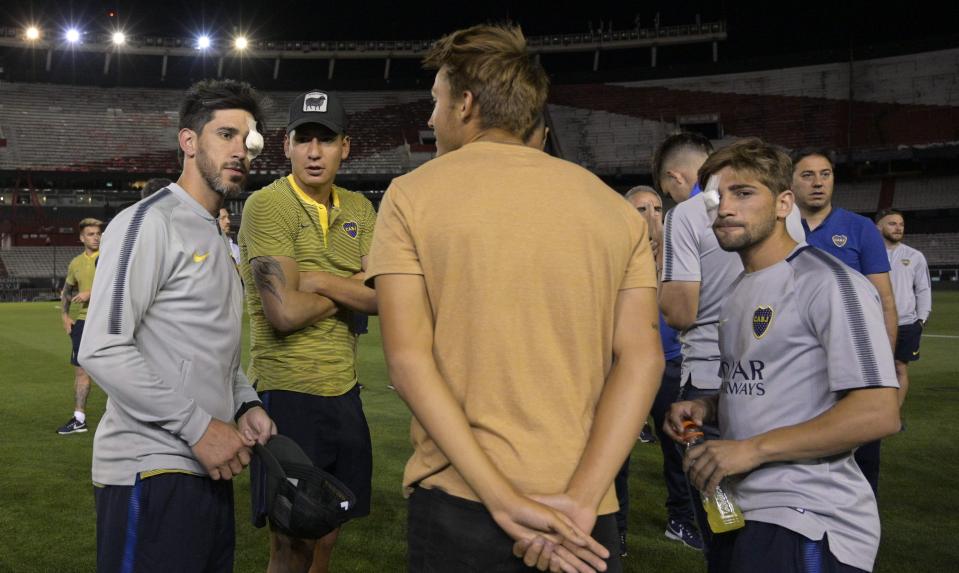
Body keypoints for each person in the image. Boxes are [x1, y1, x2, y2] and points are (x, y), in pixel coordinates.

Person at [367, 24, 663, 573]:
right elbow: (643, 358)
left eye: (435, 102)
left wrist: (503, 500)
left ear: (466, 104)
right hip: (584, 514)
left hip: (462, 502)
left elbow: (408, 362)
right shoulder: (613, 208)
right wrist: (579, 501)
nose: (431, 120)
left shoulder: (411, 196)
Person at [666, 137, 900, 573]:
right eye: (717, 197)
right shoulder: (740, 291)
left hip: (807, 515)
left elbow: (879, 411)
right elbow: (769, 385)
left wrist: (751, 450)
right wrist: (707, 406)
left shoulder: (828, 282)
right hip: (742, 509)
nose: (725, 208)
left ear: (783, 203)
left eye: (744, 192)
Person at [78, 79, 275, 573]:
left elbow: (213, 349)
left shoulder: (212, 232)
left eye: (248, 141)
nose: (240, 152)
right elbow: (101, 348)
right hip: (152, 470)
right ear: (188, 142)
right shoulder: (149, 222)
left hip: (210, 465)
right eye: (226, 134)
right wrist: (199, 427)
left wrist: (245, 402)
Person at [239, 89, 378, 573]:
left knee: (328, 529)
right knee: (290, 538)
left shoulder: (360, 208)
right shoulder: (267, 206)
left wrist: (315, 279)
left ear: (346, 146)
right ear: (286, 145)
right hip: (286, 393)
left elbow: (383, 298)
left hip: (344, 391)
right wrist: (348, 286)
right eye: (304, 139)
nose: (314, 152)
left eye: (326, 139)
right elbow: (284, 313)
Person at [791, 148, 897, 495]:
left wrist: (883, 366)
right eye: (808, 175)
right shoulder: (781, 229)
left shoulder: (860, 228)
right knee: (800, 455)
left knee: (861, 457)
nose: (818, 182)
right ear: (789, 182)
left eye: (826, 174)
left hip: (853, 361)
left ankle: (858, 536)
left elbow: (885, 301)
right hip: (797, 363)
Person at [621, 186, 703, 553]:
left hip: (674, 369)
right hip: (624, 371)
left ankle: (682, 521)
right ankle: (616, 528)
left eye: (657, 207)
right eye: (641, 208)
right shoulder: (612, 258)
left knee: (683, 448)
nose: (652, 215)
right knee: (617, 455)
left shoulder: (680, 257)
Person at [875, 208, 932, 407]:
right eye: (892, 223)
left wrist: (921, 320)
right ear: (878, 227)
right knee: (874, 369)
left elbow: (923, 289)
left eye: (901, 224)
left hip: (906, 323)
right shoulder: (867, 254)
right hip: (875, 323)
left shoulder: (915, 256)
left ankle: (892, 415)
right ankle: (873, 412)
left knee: (900, 368)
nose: (898, 228)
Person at [56, 217, 104, 435]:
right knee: (81, 371)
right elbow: (66, 291)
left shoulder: (109, 257)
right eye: (91, 234)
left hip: (108, 320)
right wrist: (65, 316)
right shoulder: (75, 263)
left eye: (98, 233)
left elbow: (119, 288)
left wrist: (90, 294)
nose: (96, 237)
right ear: (81, 238)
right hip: (83, 321)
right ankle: (79, 419)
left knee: (118, 370)